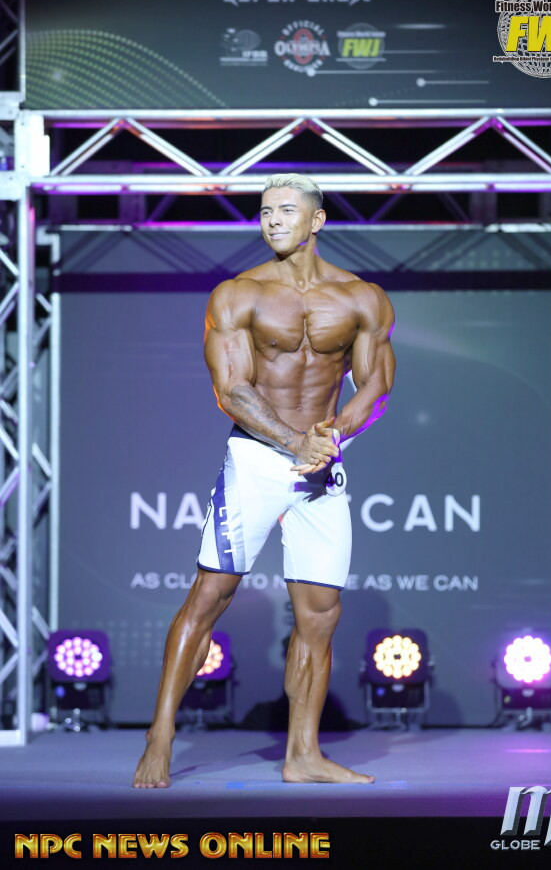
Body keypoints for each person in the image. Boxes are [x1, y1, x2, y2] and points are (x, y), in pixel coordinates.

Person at [133, 173, 395, 788]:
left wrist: (331, 437)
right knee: (210, 595)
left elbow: (377, 387)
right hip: (256, 460)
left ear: (316, 220)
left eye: (285, 210)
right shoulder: (237, 295)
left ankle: (303, 754)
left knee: (320, 615)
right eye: (264, 211)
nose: (272, 220)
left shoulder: (363, 298)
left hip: (323, 463)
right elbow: (231, 390)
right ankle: (160, 735)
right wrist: (294, 441)